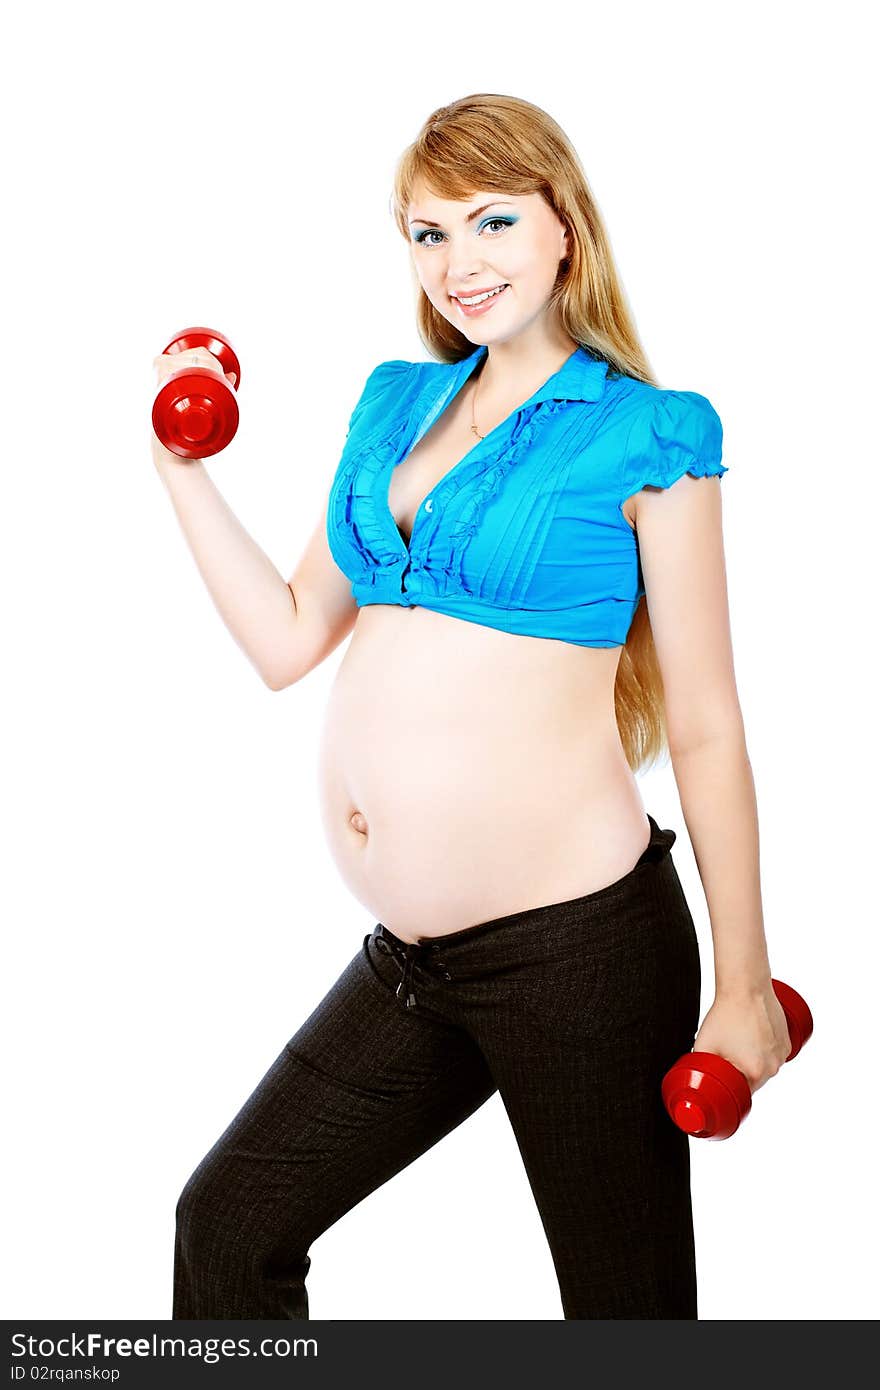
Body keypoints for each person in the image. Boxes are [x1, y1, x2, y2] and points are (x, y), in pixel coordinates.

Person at [158, 93, 791, 1321]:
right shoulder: (396, 406)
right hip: (414, 963)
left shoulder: (648, 433)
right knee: (226, 1225)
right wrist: (181, 470)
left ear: (565, 229)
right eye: (426, 233)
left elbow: (708, 724)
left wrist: (743, 981)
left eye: (491, 221)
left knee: (625, 1321)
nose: (459, 262)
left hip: (579, 953)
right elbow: (290, 638)